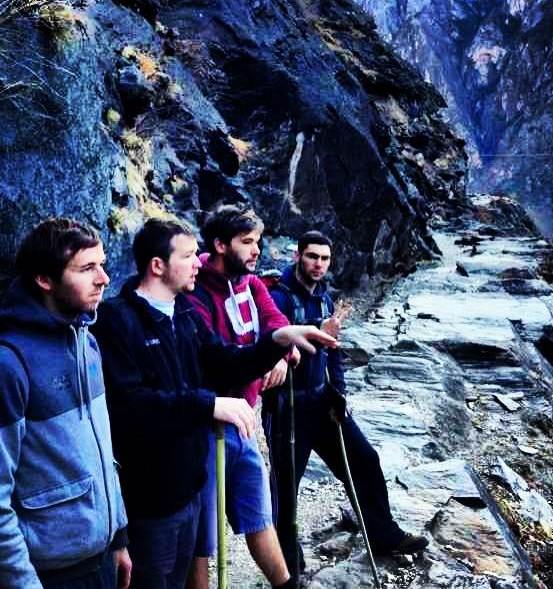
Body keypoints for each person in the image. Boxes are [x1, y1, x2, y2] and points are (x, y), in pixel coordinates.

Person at [92, 218, 336, 588]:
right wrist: (208, 405)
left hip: (188, 487)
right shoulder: (117, 320)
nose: (198, 263)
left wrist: (277, 340)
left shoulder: (184, 313)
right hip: (148, 500)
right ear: (158, 265)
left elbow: (225, 361)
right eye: (189, 256)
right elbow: (131, 405)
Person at [267, 230, 428, 580]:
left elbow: (333, 350)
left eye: (324, 259)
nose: (318, 265)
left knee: (364, 459)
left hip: (322, 400)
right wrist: (316, 328)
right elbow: (269, 341)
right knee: (285, 486)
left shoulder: (325, 297)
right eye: (312, 257)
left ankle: (384, 535)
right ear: (298, 256)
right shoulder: (277, 297)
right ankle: (287, 567)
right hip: (288, 406)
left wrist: (339, 392)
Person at [0, 217, 130, 589]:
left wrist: (118, 535)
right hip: (48, 573)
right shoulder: (10, 362)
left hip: (100, 557)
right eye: (87, 268)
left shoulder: (87, 341)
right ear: (44, 279)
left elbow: (103, 447)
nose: (104, 278)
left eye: (102, 264)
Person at [186, 205, 296, 589]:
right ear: (219, 244)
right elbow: (215, 359)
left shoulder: (251, 283)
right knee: (202, 537)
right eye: (247, 242)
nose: (256, 251)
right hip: (207, 426)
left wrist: (279, 351)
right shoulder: (196, 291)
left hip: (245, 421)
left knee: (258, 514)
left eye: (258, 242)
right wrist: (268, 355)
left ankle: (286, 585)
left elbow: (276, 322)